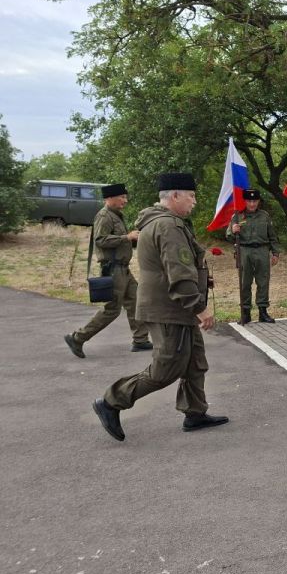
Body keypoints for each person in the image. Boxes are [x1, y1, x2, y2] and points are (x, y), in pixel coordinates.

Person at [92, 173, 228, 442]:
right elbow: (178, 273)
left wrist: (201, 280)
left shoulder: (163, 222)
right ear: (175, 195)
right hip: (169, 309)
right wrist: (199, 308)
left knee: (194, 362)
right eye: (191, 196)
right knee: (166, 369)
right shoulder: (168, 226)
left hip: (175, 308)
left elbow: (179, 266)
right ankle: (111, 401)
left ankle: (195, 412)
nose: (195, 201)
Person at [64, 183, 152, 358]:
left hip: (123, 269)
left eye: (125, 197)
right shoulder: (104, 216)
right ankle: (78, 338)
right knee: (112, 309)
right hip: (113, 269)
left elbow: (116, 240)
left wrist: (132, 238)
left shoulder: (116, 215)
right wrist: (127, 237)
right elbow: (101, 240)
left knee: (136, 302)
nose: (125, 200)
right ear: (109, 198)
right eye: (122, 197)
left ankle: (140, 340)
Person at [226, 188, 280, 324]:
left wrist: (275, 253)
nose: (252, 204)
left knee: (263, 281)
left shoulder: (264, 216)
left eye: (254, 201)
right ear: (245, 201)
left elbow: (272, 236)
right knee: (245, 282)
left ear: (258, 201)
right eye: (249, 201)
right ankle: (245, 313)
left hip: (262, 250)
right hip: (245, 251)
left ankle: (263, 312)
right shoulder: (237, 216)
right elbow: (229, 236)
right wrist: (233, 231)